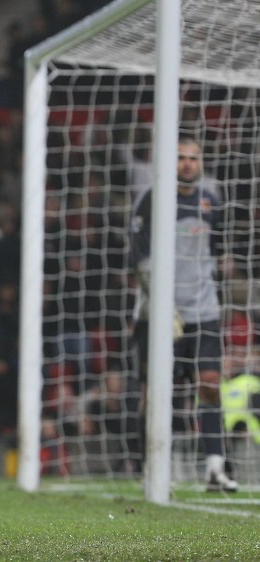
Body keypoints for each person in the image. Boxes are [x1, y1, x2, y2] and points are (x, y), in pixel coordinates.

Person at [130, 133, 236, 492]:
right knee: (158, 391)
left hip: (202, 311)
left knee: (209, 385)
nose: (187, 163)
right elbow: (140, 259)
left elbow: (219, 252)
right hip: (159, 315)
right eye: (180, 157)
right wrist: (163, 306)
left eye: (192, 157)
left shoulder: (211, 202)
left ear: (201, 162)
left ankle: (215, 468)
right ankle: (154, 467)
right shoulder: (152, 201)